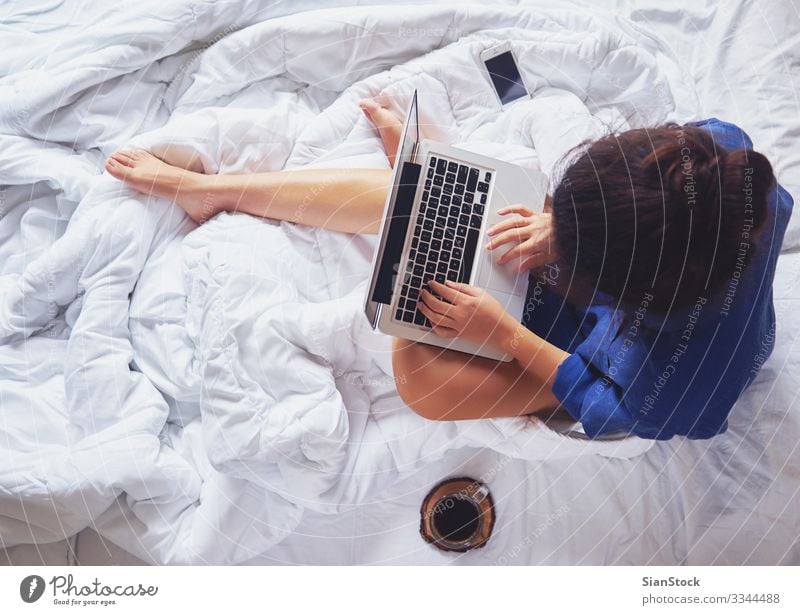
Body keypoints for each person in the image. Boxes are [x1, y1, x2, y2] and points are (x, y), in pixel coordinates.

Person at [105, 97, 793, 440]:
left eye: (575, 255)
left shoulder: (665, 392)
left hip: (597, 366)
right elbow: (639, 193)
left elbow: (606, 409)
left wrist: (503, 334)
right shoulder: (721, 158)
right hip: (632, 279)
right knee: (433, 204)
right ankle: (216, 192)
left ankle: (444, 198)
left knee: (419, 375)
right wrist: (561, 228)